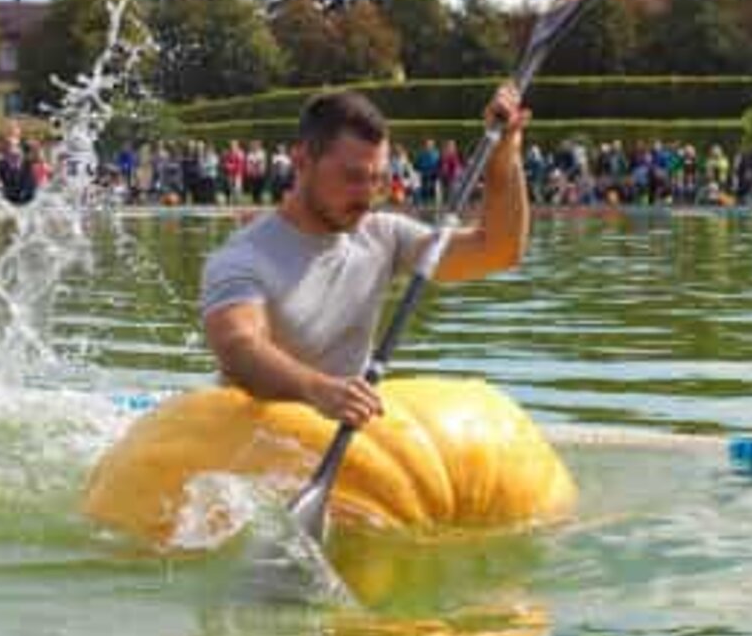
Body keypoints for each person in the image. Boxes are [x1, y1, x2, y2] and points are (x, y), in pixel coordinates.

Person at [199, 84, 530, 429]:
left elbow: (497, 250)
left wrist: (504, 155)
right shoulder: (243, 257)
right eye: (354, 176)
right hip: (251, 444)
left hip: (345, 435)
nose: (367, 195)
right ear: (301, 160)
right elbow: (239, 347)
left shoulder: (382, 235)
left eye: (378, 179)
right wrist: (317, 390)